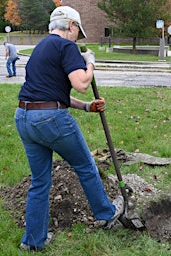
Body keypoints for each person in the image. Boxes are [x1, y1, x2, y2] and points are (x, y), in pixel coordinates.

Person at [14, 6, 124, 251]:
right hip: (50, 120)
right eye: (78, 32)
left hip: (24, 116)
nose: (77, 38)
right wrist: (91, 63)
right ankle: (106, 214)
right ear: (71, 26)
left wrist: (86, 108)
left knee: (40, 182)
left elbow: (52, 93)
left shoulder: (40, 49)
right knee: (85, 166)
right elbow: (81, 83)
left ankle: (32, 242)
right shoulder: (66, 46)